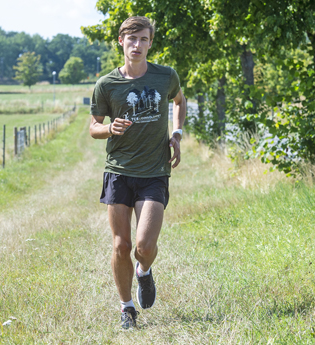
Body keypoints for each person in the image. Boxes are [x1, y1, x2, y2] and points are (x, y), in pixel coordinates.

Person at [89, 16, 187, 329]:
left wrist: (177, 133)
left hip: (154, 172)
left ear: (150, 43)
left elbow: (179, 101)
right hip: (118, 172)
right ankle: (127, 308)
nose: (138, 45)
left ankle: (144, 271)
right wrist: (108, 129)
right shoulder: (107, 84)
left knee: (143, 246)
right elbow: (92, 127)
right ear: (121, 42)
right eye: (132, 40)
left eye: (144, 40)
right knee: (121, 245)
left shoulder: (165, 75)